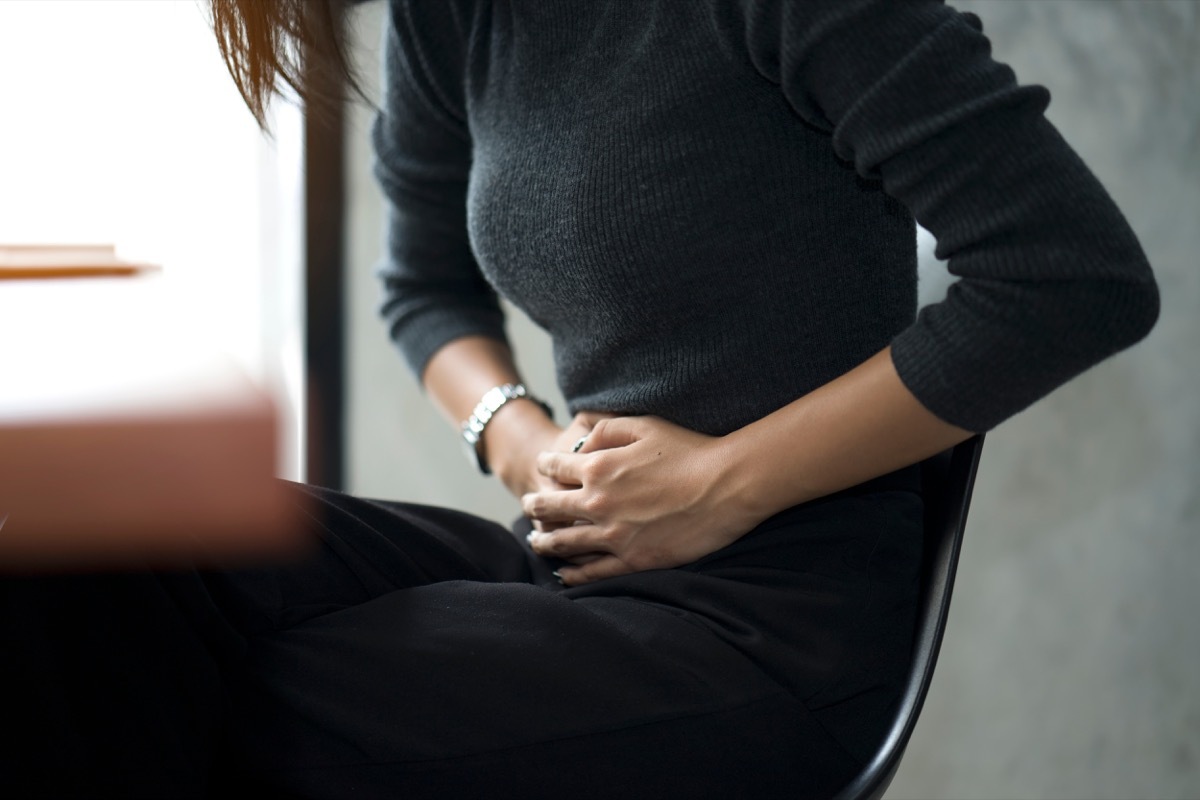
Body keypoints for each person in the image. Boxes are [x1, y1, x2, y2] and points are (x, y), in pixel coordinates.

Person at [1, 0, 1159, 797]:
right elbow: (424, 287)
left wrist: (715, 483)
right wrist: (528, 444)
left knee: (209, 697)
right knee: (85, 546)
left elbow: (1073, 277)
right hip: (571, 560)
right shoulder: (457, 16)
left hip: (770, 626)